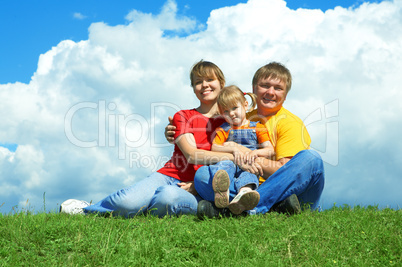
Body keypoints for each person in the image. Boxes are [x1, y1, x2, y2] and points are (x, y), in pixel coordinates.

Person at [60, 60, 237, 217]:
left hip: (201, 185)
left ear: (222, 83)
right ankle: (90, 210)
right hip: (170, 175)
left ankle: (142, 210)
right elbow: (191, 155)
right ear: (193, 89)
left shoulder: (234, 121)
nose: (204, 85)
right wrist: (236, 156)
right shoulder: (183, 116)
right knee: (128, 201)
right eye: (198, 82)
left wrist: (199, 185)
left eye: (210, 80)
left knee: (167, 198)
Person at [166, 62, 325, 218]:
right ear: (253, 89)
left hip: (285, 190)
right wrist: (174, 131)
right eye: (264, 86)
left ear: (285, 94)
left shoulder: (289, 123)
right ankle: (257, 206)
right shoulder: (239, 117)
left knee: (312, 159)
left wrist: (247, 156)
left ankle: (249, 208)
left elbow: (285, 172)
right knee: (202, 176)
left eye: (278, 88)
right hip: (243, 185)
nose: (270, 92)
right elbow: (208, 135)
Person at [200, 85, 275, 215]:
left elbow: (270, 150)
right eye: (226, 111)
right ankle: (223, 191)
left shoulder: (258, 127)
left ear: (245, 105)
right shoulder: (223, 129)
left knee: (248, 173)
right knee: (224, 165)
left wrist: (255, 152)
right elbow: (215, 147)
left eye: (235, 108)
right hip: (231, 161)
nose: (231, 114)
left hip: (248, 163)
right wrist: (232, 149)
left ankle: (244, 194)